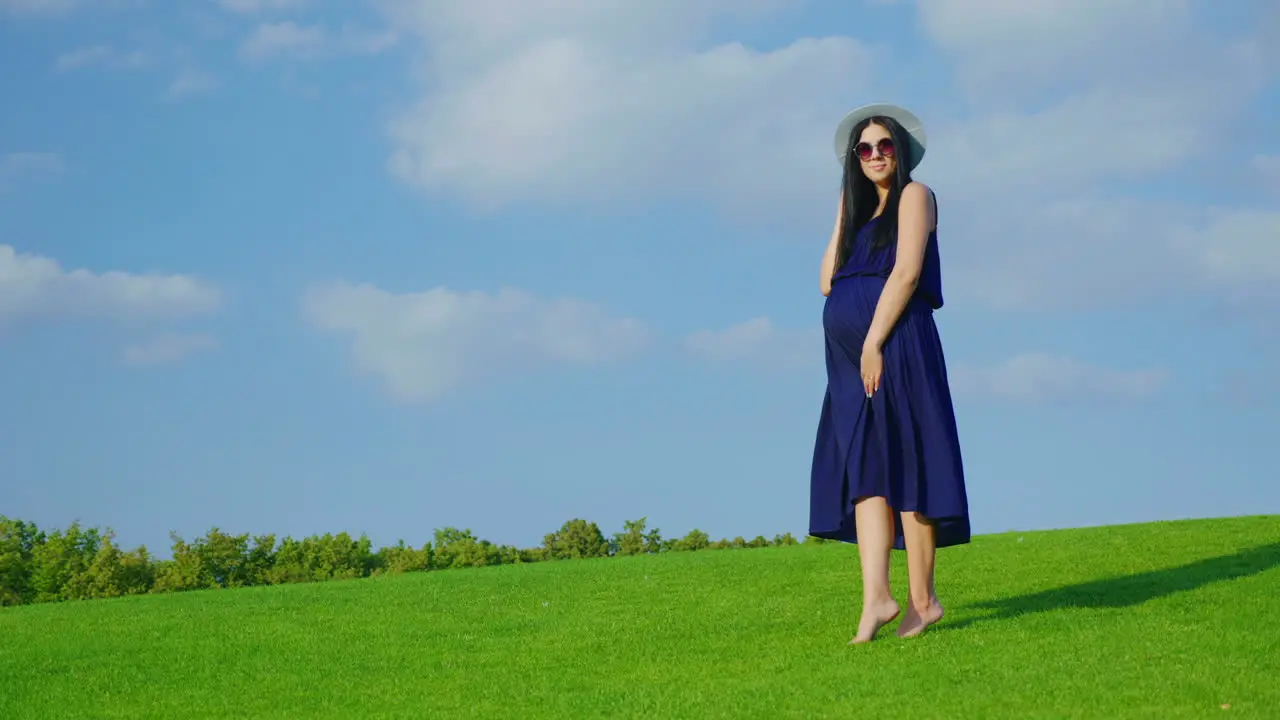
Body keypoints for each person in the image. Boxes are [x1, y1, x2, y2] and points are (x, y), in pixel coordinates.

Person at [808, 103, 970, 644]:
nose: (875, 155)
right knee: (865, 475)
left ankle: (923, 601)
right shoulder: (856, 215)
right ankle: (876, 596)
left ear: (900, 152)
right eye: (863, 150)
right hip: (850, 361)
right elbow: (829, 281)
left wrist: (874, 341)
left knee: (908, 466)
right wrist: (843, 205)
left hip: (895, 341)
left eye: (884, 146)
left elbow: (906, 272)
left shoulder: (915, 197)